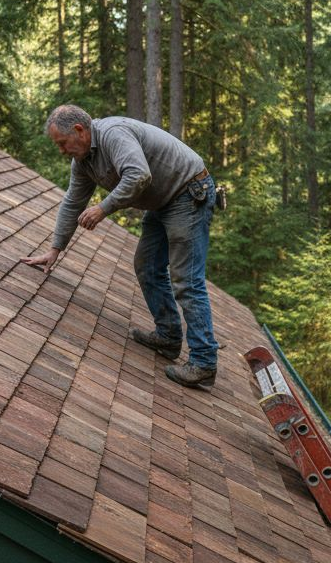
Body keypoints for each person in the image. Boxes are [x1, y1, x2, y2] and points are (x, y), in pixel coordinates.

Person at [21, 104, 221, 390]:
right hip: (163, 202)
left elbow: (139, 175)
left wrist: (103, 209)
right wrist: (55, 249)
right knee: (147, 266)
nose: (62, 151)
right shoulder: (84, 162)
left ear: (79, 130)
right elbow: (72, 203)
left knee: (186, 279)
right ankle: (168, 336)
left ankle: (203, 362)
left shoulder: (113, 134)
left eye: (63, 144)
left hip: (188, 194)